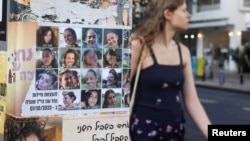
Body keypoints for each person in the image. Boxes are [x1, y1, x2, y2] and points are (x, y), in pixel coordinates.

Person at [129, 0, 211, 141]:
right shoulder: (139, 46)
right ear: (168, 13)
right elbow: (122, 96)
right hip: (143, 134)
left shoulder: (183, 51)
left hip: (175, 133)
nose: (189, 15)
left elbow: (193, 102)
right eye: (184, 10)